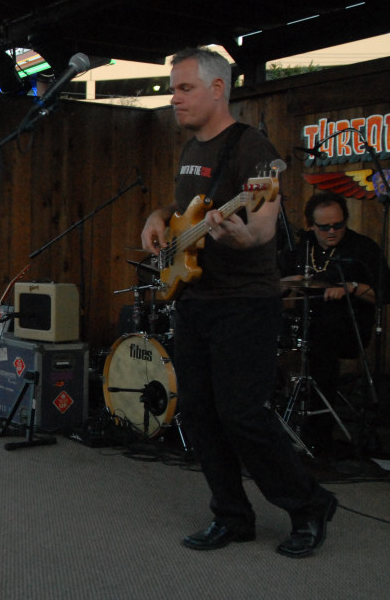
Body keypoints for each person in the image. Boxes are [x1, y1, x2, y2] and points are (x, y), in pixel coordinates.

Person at [140, 46, 335, 558]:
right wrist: (157, 217)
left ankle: (309, 504)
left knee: (242, 414)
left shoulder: (253, 148)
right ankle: (231, 515)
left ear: (217, 88)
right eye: (173, 89)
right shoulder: (191, 149)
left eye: (184, 88)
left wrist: (244, 236)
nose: (174, 98)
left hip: (245, 302)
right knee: (198, 415)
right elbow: (184, 207)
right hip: (195, 299)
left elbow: (263, 223)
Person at [279, 191, 390, 456]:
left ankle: (318, 434)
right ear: (310, 225)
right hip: (304, 323)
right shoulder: (301, 248)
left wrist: (352, 287)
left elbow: (384, 293)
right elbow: (273, 287)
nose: (332, 231)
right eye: (324, 227)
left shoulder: (362, 248)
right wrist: (287, 283)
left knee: (322, 347)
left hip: (346, 327)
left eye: (338, 225)